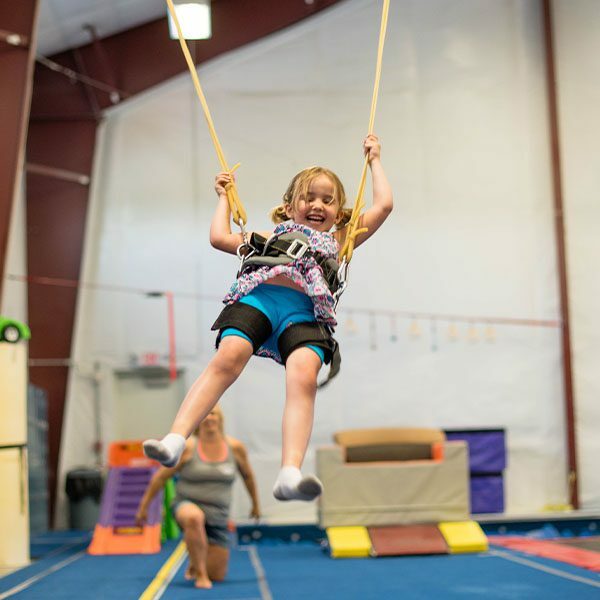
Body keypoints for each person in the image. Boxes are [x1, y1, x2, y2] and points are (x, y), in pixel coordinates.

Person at [144, 133, 393, 502]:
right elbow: (219, 237)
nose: (317, 205)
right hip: (260, 301)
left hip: (304, 314)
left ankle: (289, 472)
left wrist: (374, 161)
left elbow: (384, 205)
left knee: (304, 377)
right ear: (290, 205)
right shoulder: (266, 235)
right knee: (228, 357)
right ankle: (176, 439)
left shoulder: (342, 239)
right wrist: (224, 199)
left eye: (328, 200)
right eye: (309, 197)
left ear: (339, 211)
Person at [136, 406, 260, 589]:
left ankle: (196, 560)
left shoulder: (235, 448)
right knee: (194, 518)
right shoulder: (188, 447)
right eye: (205, 414)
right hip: (186, 505)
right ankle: (201, 574)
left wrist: (255, 505)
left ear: (220, 419)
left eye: (213, 414)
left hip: (219, 516)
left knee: (217, 575)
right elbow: (160, 478)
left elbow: (248, 476)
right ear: (197, 420)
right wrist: (143, 507)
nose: (209, 418)